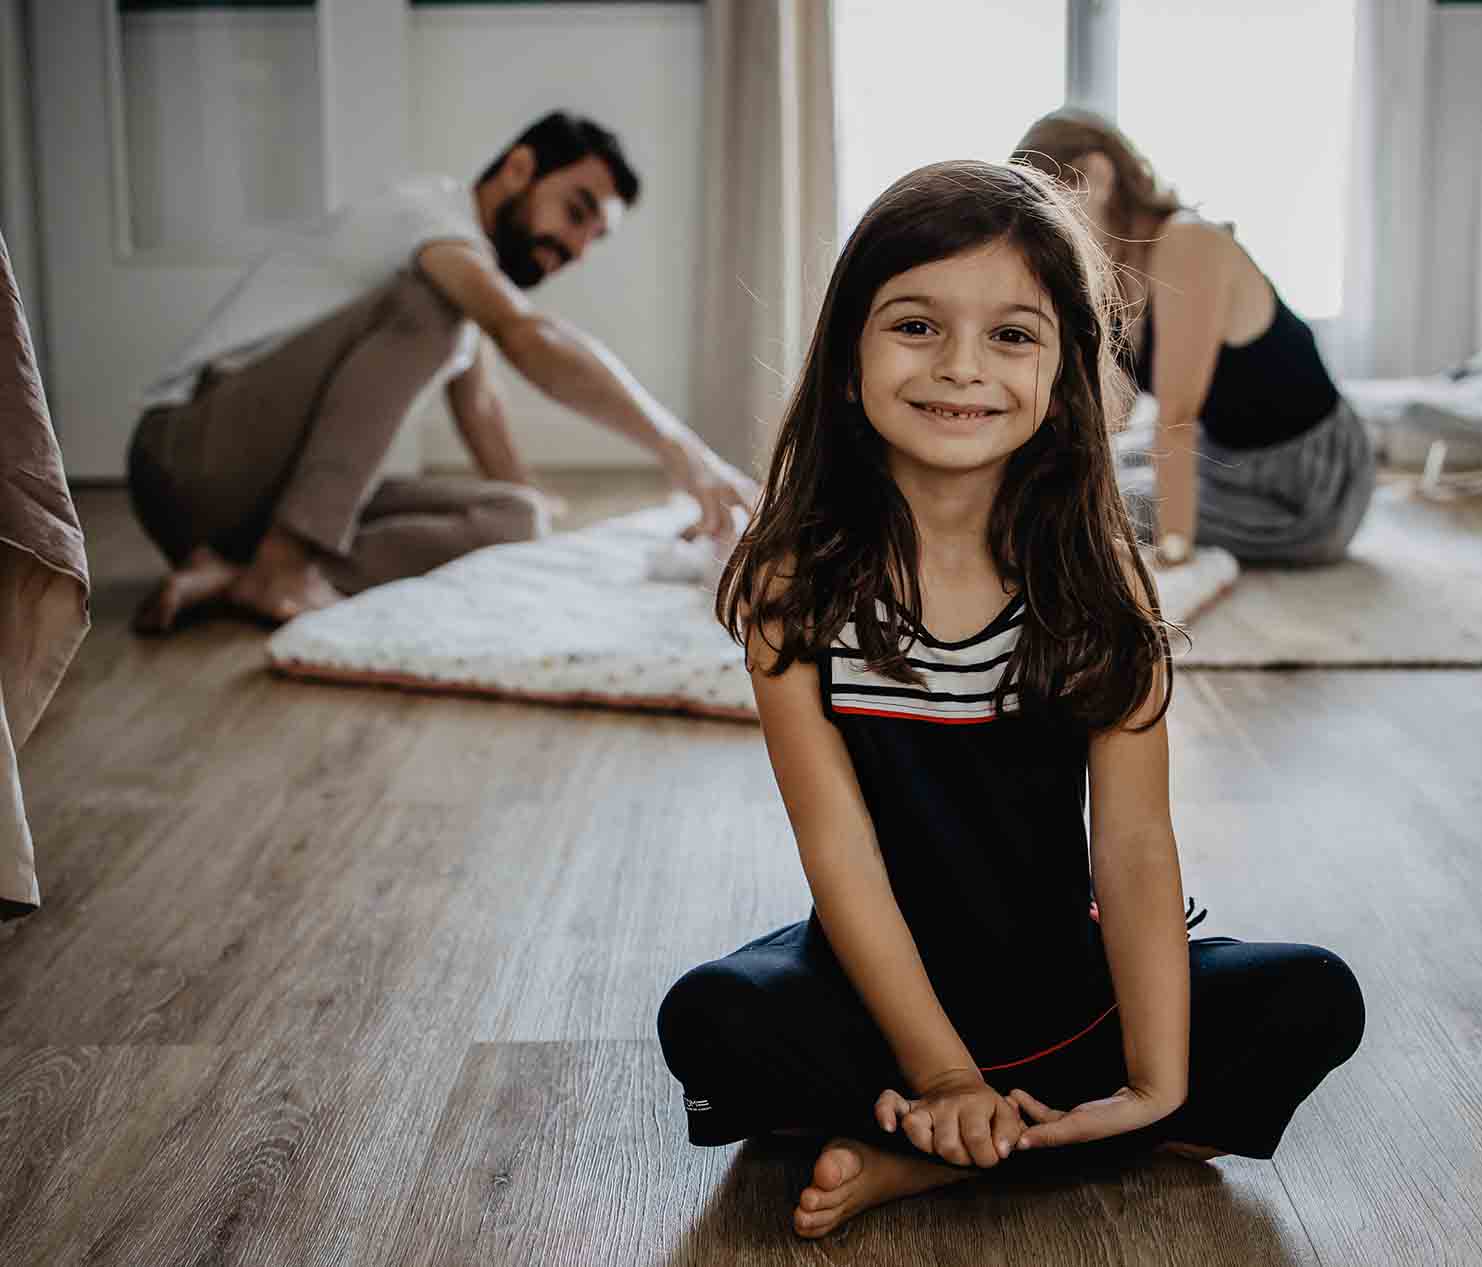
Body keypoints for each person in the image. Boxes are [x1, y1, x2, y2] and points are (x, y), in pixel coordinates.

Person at [656, 159, 1364, 1240]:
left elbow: (1131, 843)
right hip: (871, 989)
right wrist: (940, 1072)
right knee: (712, 1020)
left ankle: (930, 1161)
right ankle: (995, 1133)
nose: (961, 368)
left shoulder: (1096, 574)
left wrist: (1153, 1081)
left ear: (1063, 373)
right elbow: (838, 851)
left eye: (1012, 335)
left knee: (1315, 994)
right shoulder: (791, 581)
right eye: (914, 326)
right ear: (847, 358)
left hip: (1066, 990)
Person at [127, 110, 755, 633]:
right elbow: (529, 336)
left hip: (258, 503)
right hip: (188, 458)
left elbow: (481, 411)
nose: (576, 247)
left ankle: (245, 574)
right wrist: (682, 451)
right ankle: (285, 564)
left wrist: (541, 536)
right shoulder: (428, 221)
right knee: (432, 304)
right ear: (518, 170)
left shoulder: (460, 275)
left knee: (517, 518)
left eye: (595, 235)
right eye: (575, 210)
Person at [1014, 109, 1375, 568]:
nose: (1046, 225)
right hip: (1224, 456)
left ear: (1099, 175)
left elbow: (1177, 418)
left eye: (1051, 201)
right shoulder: (1110, 273)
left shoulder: (1189, 244)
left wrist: (1175, 551)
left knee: (1084, 506)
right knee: (1059, 483)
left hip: (1307, 483)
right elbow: (1110, 415)